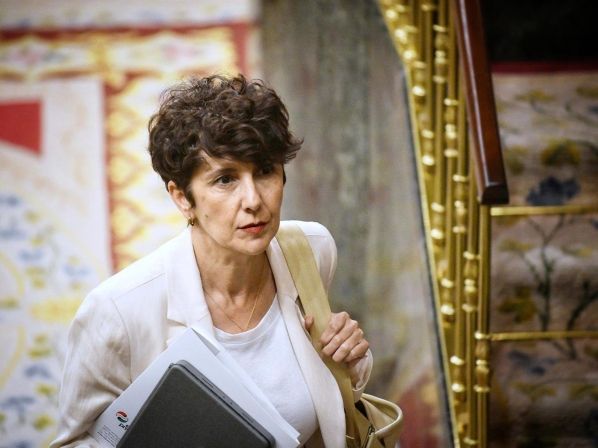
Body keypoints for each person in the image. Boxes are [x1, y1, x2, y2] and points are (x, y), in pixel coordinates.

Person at [50, 74, 372, 448]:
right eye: (225, 180)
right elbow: (77, 441)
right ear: (182, 197)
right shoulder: (117, 312)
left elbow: (332, 403)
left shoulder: (311, 250)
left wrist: (349, 360)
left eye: (264, 171)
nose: (253, 200)